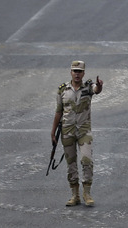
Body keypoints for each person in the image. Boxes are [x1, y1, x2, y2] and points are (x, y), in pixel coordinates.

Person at [52, 60, 104, 207]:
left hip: (83, 131)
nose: (77, 74)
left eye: (79, 71)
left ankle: (87, 193)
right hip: (67, 131)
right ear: (70, 72)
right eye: (74, 71)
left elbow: (96, 90)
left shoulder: (88, 87)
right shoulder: (63, 90)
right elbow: (58, 111)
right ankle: (74, 195)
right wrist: (52, 132)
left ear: (83, 73)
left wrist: (99, 86)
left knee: (86, 160)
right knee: (71, 164)